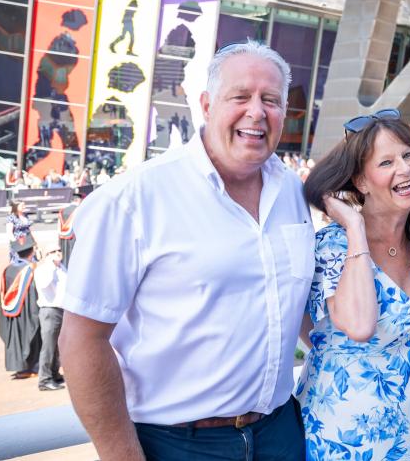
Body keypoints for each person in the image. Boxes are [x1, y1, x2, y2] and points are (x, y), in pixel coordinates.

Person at [59, 40, 312, 461]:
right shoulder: (133, 199)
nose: (257, 112)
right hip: (176, 444)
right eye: (240, 97)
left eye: (271, 100)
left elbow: (303, 305)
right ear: (207, 105)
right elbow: (82, 339)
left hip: (281, 433)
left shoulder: (293, 191)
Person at [296, 110, 410, 459]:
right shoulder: (334, 246)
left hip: (405, 430)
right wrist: (354, 227)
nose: (405, 169)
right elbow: (359, 326)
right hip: (340, 431)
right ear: (361, 182)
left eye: (409, 155)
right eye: (386, 162)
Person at [0, 235, 41, 380]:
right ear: (31, 252)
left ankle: (19, 367)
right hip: (27, 311)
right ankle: (30, 367)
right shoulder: (30, 270)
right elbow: (34, 294)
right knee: (31, 335)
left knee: (15, 338)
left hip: (11, 313)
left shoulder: (7, 269)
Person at [34, 247, 67, 391]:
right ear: (47, 255)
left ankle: (54, 373)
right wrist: (51, 266)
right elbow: (44, 284)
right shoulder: (43, 270)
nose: (58, 253)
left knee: (57, 346)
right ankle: (45, 379)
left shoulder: (62, 267)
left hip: (61, 309)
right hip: (49, 310)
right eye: (53, 251)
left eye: (59, 250)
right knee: (48, 347)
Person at [57, 192, 82, 270]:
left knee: (64, 255)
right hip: (74, 237)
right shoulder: (79, 210)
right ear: (78, 200)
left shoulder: (62, 210)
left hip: (62, 238)